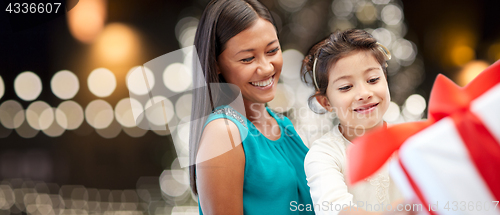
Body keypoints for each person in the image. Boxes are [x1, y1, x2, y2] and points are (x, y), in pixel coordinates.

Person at [189, 0, 314, 214]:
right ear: (216, 64)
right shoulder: (223, 133)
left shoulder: (283, 124)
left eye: (273, 50)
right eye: (247, 59)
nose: (266, 68)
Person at [300, 29, 404, 215]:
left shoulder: (409, 140)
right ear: (326, 102)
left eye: (373, 79)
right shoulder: (324, 155)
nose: (364, 93)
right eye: (346, 87)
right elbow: (337, 209)